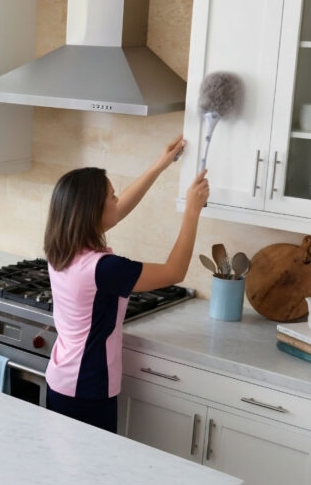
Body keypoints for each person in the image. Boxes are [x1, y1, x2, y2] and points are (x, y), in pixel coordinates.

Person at [42, 134, 209, 432]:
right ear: (93, 212)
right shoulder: (104, 269)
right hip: (88, 389)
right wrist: (192, 210)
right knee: (92, 473)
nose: (117, 201)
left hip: (61, 380)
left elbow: (116, 212)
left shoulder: (61, 249)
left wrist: (160, 165)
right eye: (112, 195)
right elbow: (175, 271)